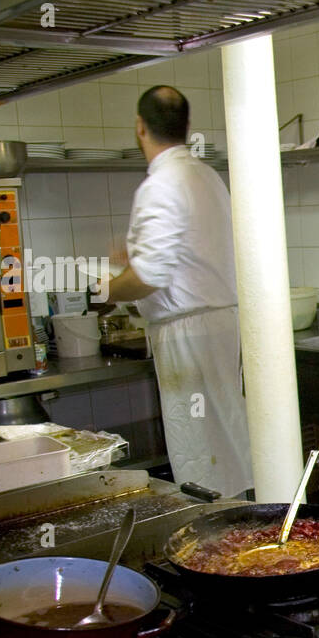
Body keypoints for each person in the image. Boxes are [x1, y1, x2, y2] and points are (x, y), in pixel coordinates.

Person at [97, 85, 253, 498]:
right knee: (228, 438)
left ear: (139, 128)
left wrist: (104, 291)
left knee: (202, 450)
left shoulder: (161, 184)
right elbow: (188, 253)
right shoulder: (206, 176)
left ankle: (222, 534)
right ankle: (250, 524)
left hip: (187, 331)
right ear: (187, 128)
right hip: (219, 321)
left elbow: (148, 276)